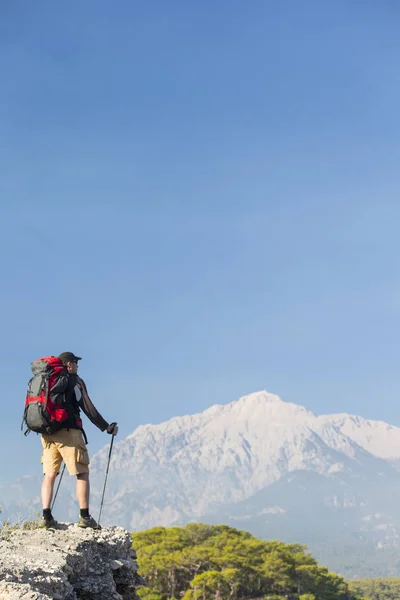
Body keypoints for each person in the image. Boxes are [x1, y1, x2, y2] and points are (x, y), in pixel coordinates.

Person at [40, 351, 118, 529]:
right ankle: (85, 516)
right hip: (69, 432)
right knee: (82, 472)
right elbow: (87, 407)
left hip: (47, 432)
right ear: (68, 364)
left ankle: (46, 515)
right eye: (75, 363)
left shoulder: (46, 380)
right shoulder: (74, 380)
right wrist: (106, 427)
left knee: (50, 473)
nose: (77, 366)